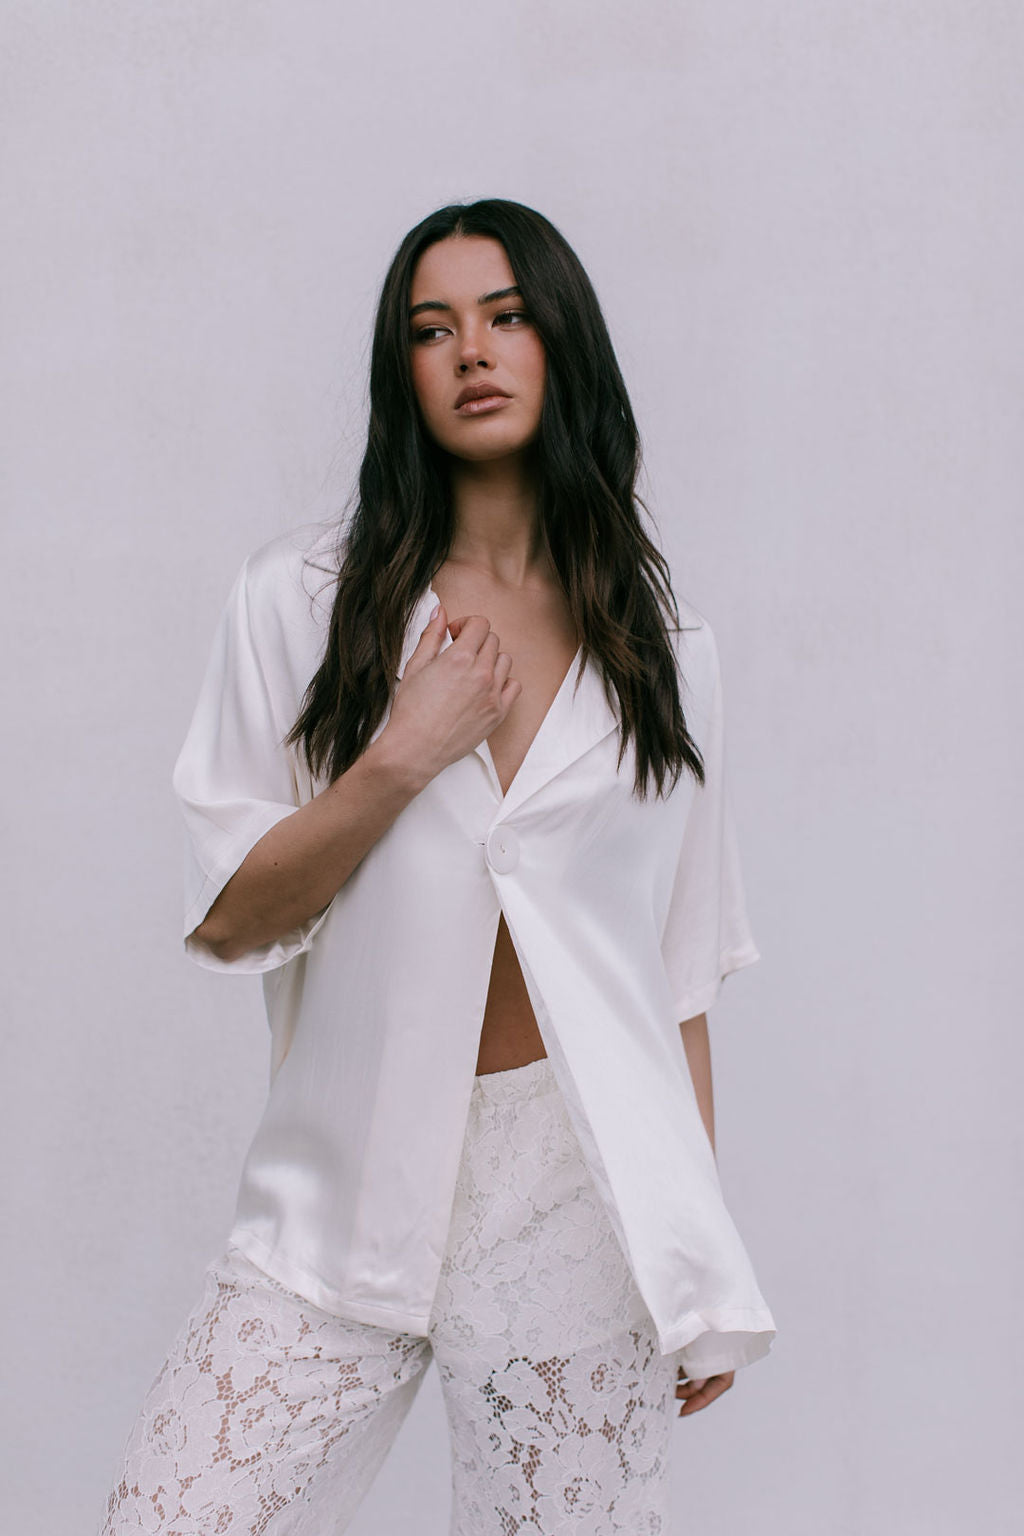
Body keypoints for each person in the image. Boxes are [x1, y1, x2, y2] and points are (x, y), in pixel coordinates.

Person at [98, 197, 776, 1535]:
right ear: (400, 371)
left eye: (508, 315)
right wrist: (401, 754)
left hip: (579, 1212)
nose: (473, 349)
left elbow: (677, 980)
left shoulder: (669, 647)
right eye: (433, 327)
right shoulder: (297, 603)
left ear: (560, 343)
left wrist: (686, 1256)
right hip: (339, 1190)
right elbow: (231, 920)